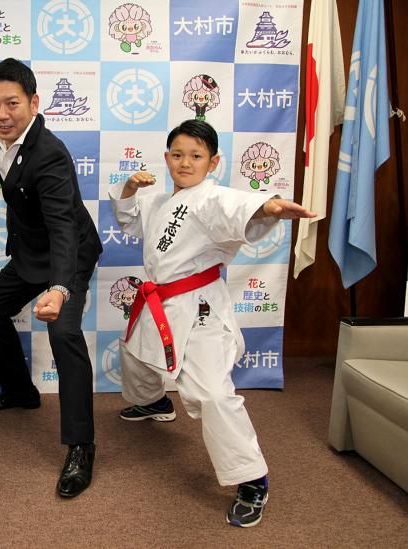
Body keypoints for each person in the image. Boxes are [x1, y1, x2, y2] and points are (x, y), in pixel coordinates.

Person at [109, 119, 316, 527]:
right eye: (177, 154)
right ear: (167, 157)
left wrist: (269, 205)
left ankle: (252, 478)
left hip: (198, 307)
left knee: (211, 394)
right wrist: (130, 188)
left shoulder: (209, 198)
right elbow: (129, 218)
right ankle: (154, 402)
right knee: (133, 351)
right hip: (159, 301)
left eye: (196, 156)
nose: (185, 163)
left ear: (213, 161)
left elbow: (236, 205)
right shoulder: (158, 200)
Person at [0, 58, 103, 498]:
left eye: (12, 104)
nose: (1, 114)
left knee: (64, 334)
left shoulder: (50, 155)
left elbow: (64, 227)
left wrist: (61, 288)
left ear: (33, 103)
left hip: (70, 255)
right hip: (30, 252)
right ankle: (20, 392)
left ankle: (81, 446)